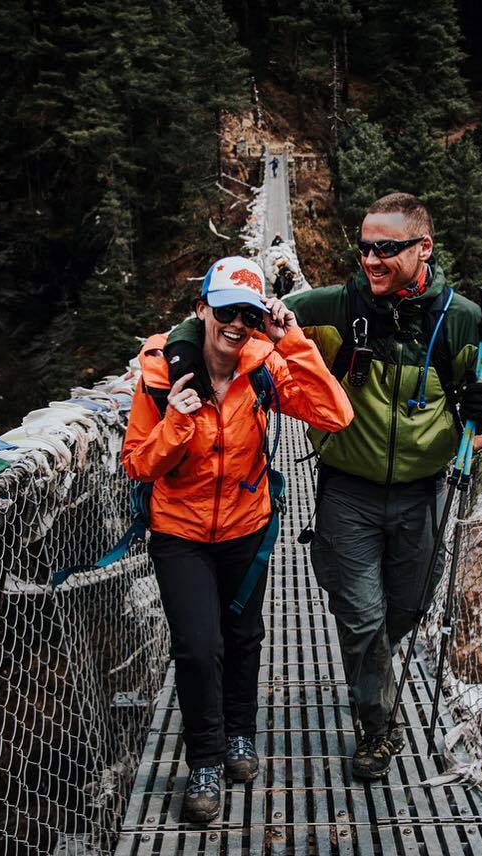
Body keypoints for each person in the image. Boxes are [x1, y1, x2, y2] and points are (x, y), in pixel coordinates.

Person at [165, 194, 482, 781]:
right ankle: (378, 729)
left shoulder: (464, 319)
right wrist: (181, 357)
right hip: (348, 488)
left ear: (424, 247)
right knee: (363, 618)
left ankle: (372, 677)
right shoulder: (333, 307)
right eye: (365, 246)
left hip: (426, 491)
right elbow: (228, 319)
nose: (371, 258)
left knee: (406, 611)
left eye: (386, 248)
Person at [122, 256, 352, 821]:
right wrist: (176, 422)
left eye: (247, 314)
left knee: (244, 636)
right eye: (225, 310)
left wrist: (290, 336)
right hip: (180, 531)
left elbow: (334, 413)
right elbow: (137, 466)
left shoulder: (263, 368)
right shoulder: (158, 375)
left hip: (247, 527)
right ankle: (204, 759)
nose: (235, 324)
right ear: (202, 308)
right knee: (200, 648)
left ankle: (240, 736)